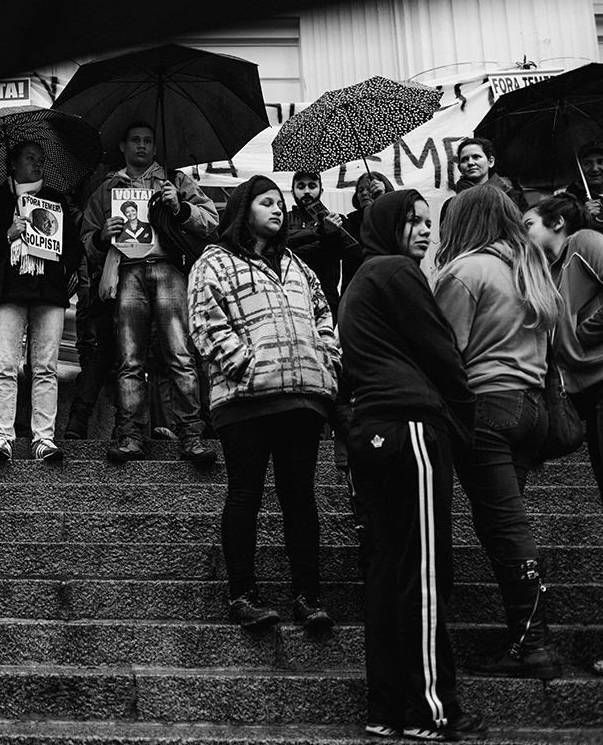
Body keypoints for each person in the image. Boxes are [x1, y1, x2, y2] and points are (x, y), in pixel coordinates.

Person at [338, 189, 485, 741]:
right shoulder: (397, 272)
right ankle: (432, 709)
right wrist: (463, 422)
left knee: (386, 573)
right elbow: (442, 353)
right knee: (423, 572)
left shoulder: (363, 278)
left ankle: (388, 708)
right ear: (386, 225)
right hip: (411, 430)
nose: (425, 230)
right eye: (412, 221)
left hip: (376, 434)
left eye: (429, 222)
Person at [188, 175, 338, 632]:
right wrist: (245, 364)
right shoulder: (214, 261)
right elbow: (203, 321)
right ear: (243, 209)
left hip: (301, 399)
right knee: (245, 496)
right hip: (244, 401)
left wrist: (326, 359)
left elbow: (323, 312)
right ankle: (242, 596)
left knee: (300, 500)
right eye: (266, 202)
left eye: (280, 203)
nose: (278, 209)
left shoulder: (296, 264)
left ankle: (308, 597)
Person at [433, 184, 563, 680]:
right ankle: (527, 639)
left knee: (505, 527)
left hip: (488, 408)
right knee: (503, 523)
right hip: (532, 412)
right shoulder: (530, 269)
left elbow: (445, 352)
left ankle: (533, 646)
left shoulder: (468, 270)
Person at [83, 121, 217, 467]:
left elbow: (211, 219)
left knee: (181, 354)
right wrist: (102, 235)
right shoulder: (108, 189)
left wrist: (180, 207)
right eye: (135, 140)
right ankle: (130, 434)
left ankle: (192, 434)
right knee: (129, 359)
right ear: (123, 147)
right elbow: (86, 241)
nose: (142, 145)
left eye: (148, 141)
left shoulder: (176, 181)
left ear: (155, 149)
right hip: (127, 273)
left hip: (169, 269)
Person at [0, 140, 80, 462]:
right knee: (4, 365)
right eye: (30, 158)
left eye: (41, 159)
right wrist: (8, 234)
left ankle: (43, 439)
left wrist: (62, 266)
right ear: (13, 163)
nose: (38, 164)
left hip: (48, 292)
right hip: (8, 291)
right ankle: (1, 437)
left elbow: (75, 248)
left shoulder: (55, 199)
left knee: (46, 367)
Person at [524, 194, 603, 507]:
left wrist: (587, 331)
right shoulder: (549, 271)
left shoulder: (583, 242)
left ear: (556, 222)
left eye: (528, 224)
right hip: (586, 390)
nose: (522, 233)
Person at [285, 171, 360, 322]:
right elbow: (281, 247)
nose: (306, 191)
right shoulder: (282, 220)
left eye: (312, 186)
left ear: (321, 190)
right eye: (301, 186)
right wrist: (321, 232)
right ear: (292, 191)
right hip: (291, 296)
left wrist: (327, 235)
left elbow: (333, 253)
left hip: (326, 297)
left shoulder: (337, 221)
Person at [449, 137, 528, 213]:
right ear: (460, 168)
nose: (470, 163)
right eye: (464, 160)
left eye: (476, 157)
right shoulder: (451, 205)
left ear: (490, 162)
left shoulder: (513, 197)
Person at [561, 140, 603, 232]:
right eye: (587, 163)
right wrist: (583, 216)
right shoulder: (571, 198)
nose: (595, 168)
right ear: (579, 168)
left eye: (600, 162)